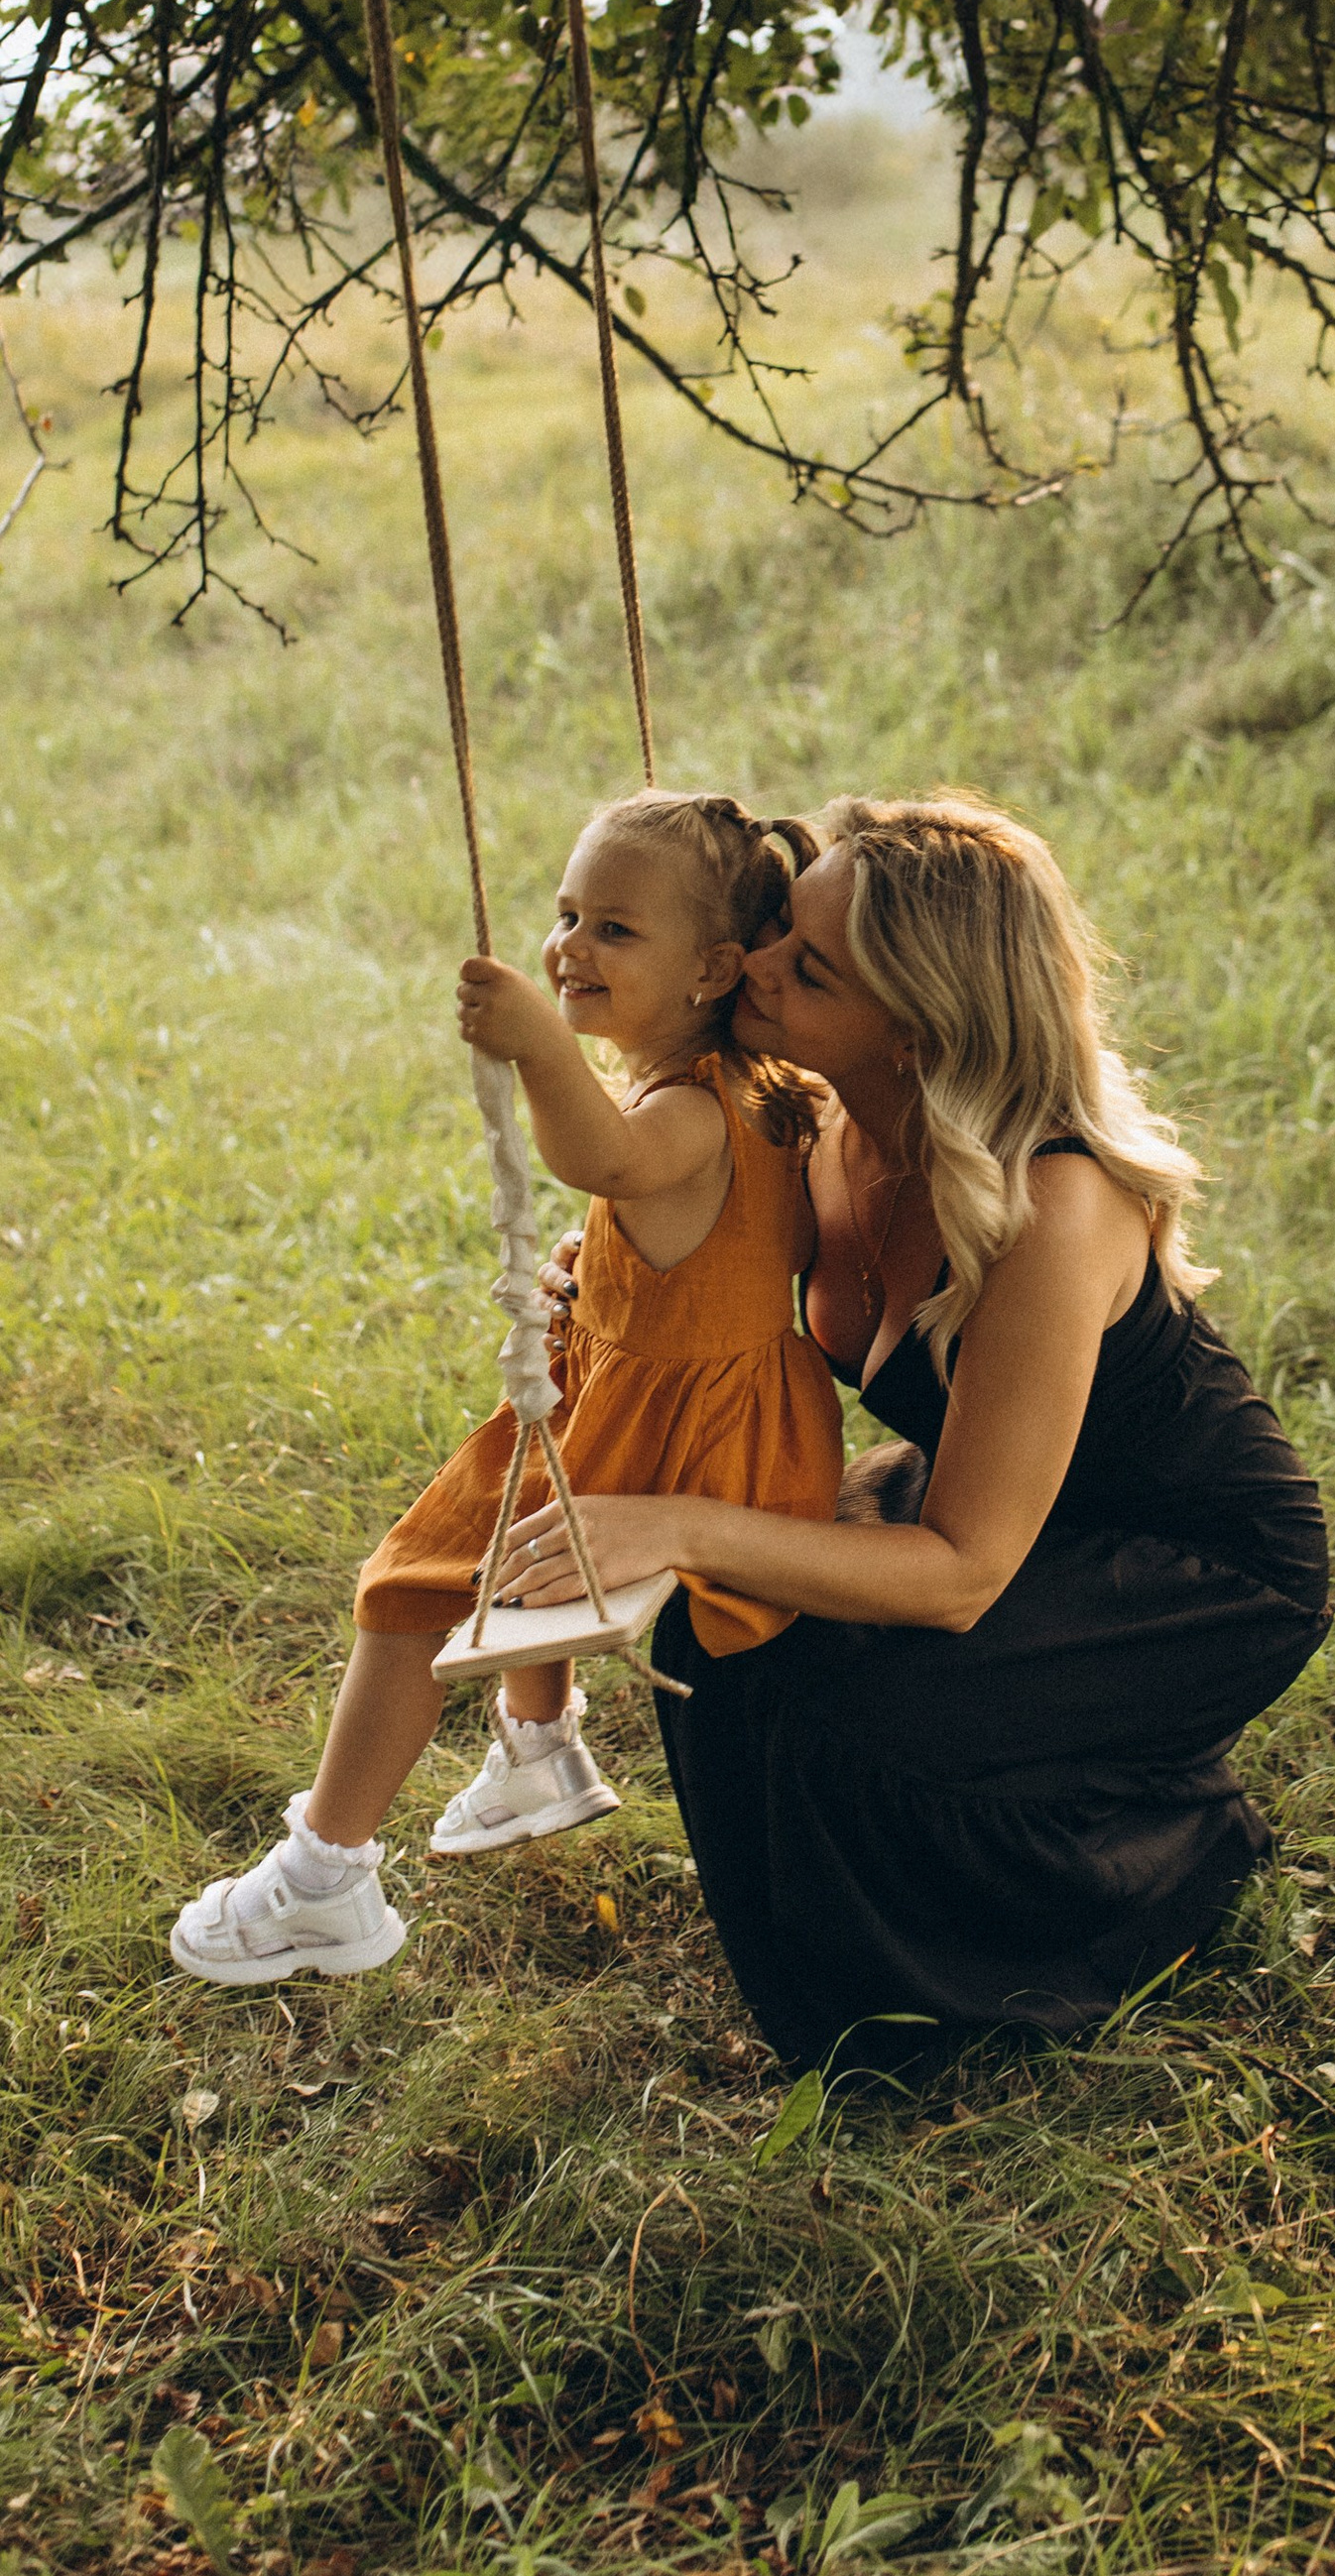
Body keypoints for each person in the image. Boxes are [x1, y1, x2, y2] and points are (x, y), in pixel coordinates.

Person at [490, 790, 1330, 2073]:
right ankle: (846, 1991)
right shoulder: (823, 1122)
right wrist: (610, 1270)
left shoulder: (1052, 1207)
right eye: (779, 929)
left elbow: (960, 1576)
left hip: (1193, 1567)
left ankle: (1154, 1883)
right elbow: (699, 1252)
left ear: (915, 1034)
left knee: (853, 1718)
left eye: (805, 966)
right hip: (985, 1497)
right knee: (722, 1650)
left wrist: (679, 1519)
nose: (752, 964)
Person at [170, 792, 841, 1987]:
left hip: (662, 1428)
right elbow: (713, 1248)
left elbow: (602, 1159)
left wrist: (537, 1041)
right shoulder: (759, 1086)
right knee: (525, 1546)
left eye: (616, 932)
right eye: (567, 913)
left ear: (714, 970)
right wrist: (608, 1275)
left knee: (416, 1586)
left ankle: (325, 1878)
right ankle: (538, 1747)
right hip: (715, 1411)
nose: (572, 947)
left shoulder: (681, 1109)